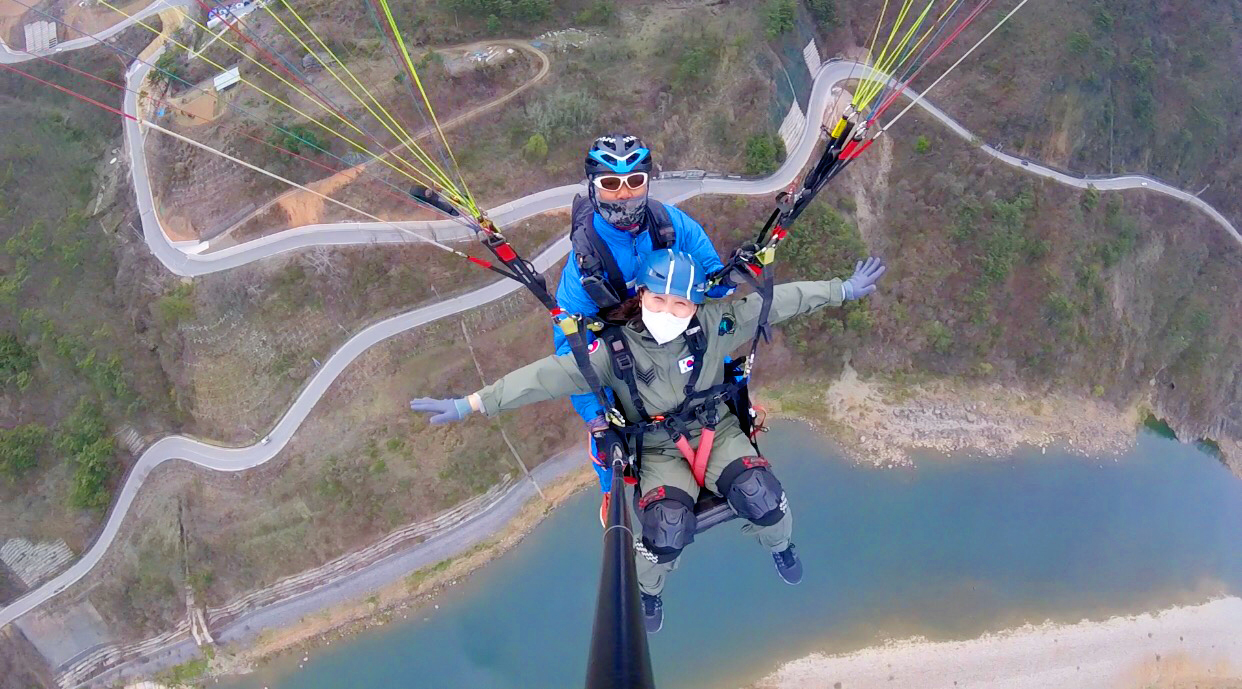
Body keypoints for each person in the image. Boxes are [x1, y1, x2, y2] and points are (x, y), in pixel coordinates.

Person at [410, 249, 887, 633]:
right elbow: (545, 377)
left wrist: (841, 289)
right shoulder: (613, 350)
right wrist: (473, 403)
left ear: (695, 305)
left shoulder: (716, 323)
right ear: (641, 296)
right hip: (657, 449)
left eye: (680, 304)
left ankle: (779, 545)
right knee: (666, 528)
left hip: (717, 430)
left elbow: (777, 302)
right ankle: (650, 591)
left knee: (763, 495)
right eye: (658, 300)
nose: (667, 311)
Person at [556, 135, 732, 505]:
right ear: (593, 189)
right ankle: (613, 494)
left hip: (675, 331)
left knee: (720, 375)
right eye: (611, 184)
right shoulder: (585, 262)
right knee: (610, 444)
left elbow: (710, 276)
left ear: (647, 183)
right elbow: (571, 349)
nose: (624, 194)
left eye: (634, 182)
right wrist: (598, 420)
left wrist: (728, 279)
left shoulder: (669, 225)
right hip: (624, 351)